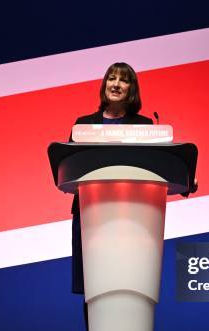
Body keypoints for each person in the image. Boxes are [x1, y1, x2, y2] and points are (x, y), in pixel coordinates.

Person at [69, 62, 153, 298]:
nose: (116, 84)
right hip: (89, 212)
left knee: (125, 286)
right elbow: (68, 165)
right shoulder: (83, 125)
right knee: (92, 290)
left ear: (131, 89)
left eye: (123, 80)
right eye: (111, 78)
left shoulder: (144, 126)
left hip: (130, 216)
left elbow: (155, 166)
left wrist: (186, 179)